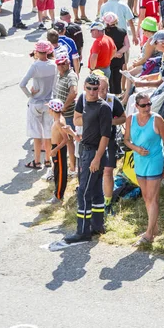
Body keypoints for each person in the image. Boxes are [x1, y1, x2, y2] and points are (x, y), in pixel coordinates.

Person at [64, 74, 112, 244]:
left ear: (100, 88)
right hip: (86, 150)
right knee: (96, 192)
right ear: (85, 88)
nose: (92, 91)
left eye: (95, 88)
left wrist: (97, 158)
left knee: (84, 192)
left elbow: (106, 136)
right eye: (89, 88)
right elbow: (78, 120)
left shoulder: (103, 107)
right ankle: (97, 225)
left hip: (94, 153)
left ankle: (82, 231)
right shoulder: (85, 103)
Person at [124, 92, 164, 245]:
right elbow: (126, 140)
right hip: (139, 162)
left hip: (155, 161)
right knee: (146, 198)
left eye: (149, 104)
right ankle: (154, 228)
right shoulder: (131, 119)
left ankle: (149, 234)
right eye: (143, 105)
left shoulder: (157, 120)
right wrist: (136, 149)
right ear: (136, 106)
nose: (147, 107)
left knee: (152, 198)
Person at [20, 40, 57, 169]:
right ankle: (48, 160)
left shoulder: (35, 66)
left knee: (37, 134)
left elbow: (22, 84)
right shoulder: (53, 65)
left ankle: (37, 161)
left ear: (37, 51)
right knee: (48, 133)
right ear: (48, 51)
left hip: (36, 102)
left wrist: (30, 94)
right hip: (49, 102)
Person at [94, 73, 126, 215]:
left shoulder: (113, 100)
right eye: (101, 89)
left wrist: (110, 122)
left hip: (110, 140)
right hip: (92, 141)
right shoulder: (87, 99)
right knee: (93, 171)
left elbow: (123, 118)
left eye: (106, 89)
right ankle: (93, 200)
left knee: (108, 171)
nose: (103, 92)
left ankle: (107, 202)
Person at [53, 53, 79, 176]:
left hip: (68, 114)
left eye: (64, 63)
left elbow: (74, 92)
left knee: (70, 141)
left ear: (68, 63)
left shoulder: (71, 75)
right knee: (65, 140)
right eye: (59, 64)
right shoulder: (61, 75)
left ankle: (73, 167)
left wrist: (64, 107)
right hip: (62, 114)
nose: (62, 65)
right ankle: (71, 164)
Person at [47, 99, 69, 204]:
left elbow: (66, 139)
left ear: (52, 110)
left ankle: (58, 195)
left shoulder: (59, 122)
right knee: (57, 171)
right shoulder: (57, 120)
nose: (48, 110)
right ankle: (57, 192)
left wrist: (55, 150)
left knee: (60, 172)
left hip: (58, 149)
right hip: (56, 148)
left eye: (49, 108)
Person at [102, 12, 129, 94]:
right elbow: (127, 45)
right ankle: (116, 96)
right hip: (119, 59)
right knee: (117, 79)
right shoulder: (122, 31)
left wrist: (112, 54)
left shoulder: (103, 33)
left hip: (107, 59)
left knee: (108, 79)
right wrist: (118, 53)